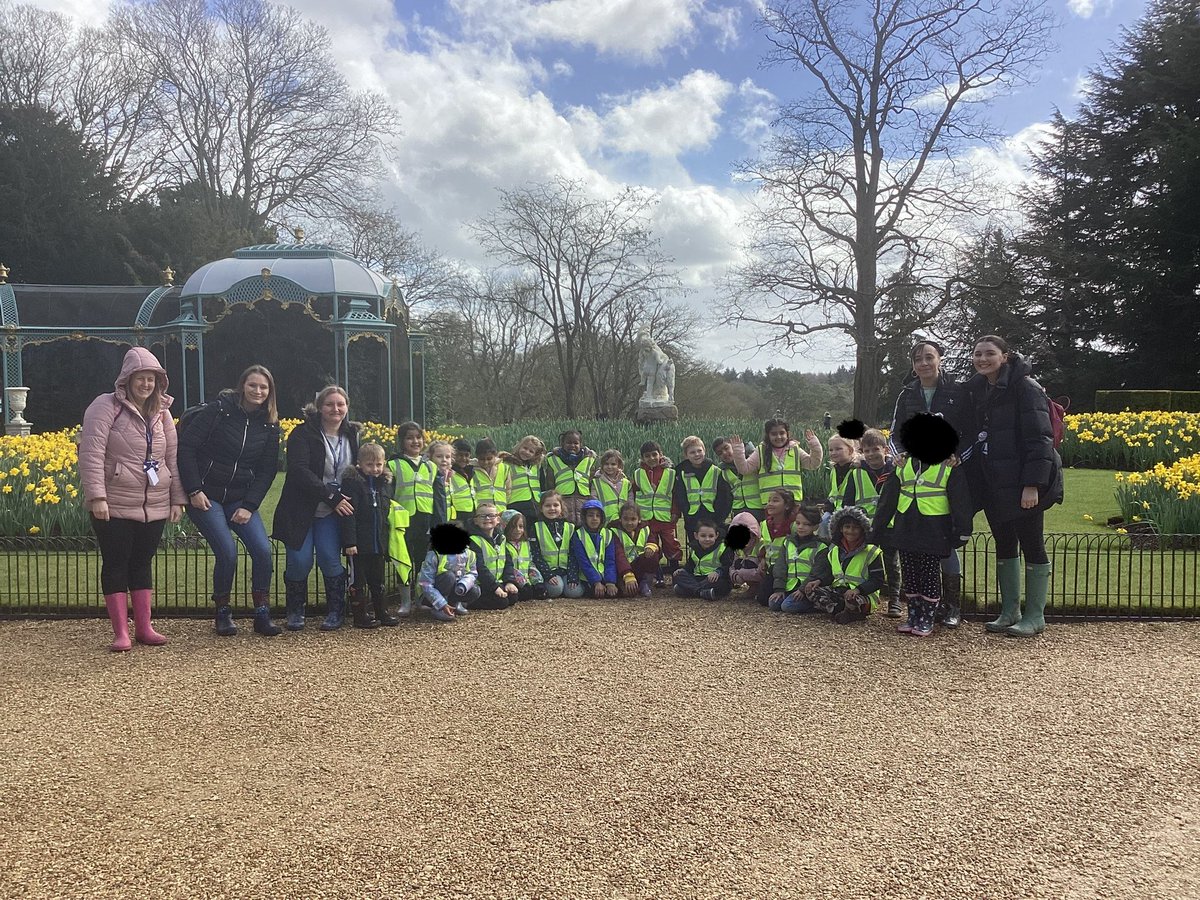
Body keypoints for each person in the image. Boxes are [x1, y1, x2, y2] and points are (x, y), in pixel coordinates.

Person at [80, 346, 184, 651]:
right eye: (141, 378)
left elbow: (172, 457)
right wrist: (97, 496)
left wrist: (176, 498)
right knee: (116, 564)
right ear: (127, 378)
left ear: (159, 382)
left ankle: (144, 627)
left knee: (142, 563)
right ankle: (120, 632)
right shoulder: (104, 406)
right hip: (114, 502)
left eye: (151, 379)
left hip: (154, 504)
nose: (146, 384)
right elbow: (91, 453)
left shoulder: (162, 412)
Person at [962, 334, 1063, 638]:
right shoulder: (979, 388)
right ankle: (1009, 611)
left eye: (989, 353)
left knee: (1032, 542)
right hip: (993, 480)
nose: (982, 359)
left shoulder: (1026, 388)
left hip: (1023, 481)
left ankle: (1035, 616)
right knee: (1004, 542)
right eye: (977, 353)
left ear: (1004, 356)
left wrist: (1032, 484)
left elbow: (1040, 439)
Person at [177, 364, 281, 638]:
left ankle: (262, 612)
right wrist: (193, 490)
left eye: (263, 387)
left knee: (262, 551)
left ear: (270, 392)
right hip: (206, 494)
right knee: (227, 552)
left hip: (240, 497)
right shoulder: (219, 411)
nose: (258, 391)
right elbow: (186, 447)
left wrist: (250, 505)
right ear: (242, 386)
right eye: (253, 385)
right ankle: (222, 611)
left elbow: (268, 469)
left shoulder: (270, 424)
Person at [871, 414, 974, 637]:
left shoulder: (948, 465)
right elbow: (888, 499)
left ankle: (927, 616)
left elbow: (961, 500)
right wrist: (877, 527)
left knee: (928, 576)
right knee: (910, 575)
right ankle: (913, 615)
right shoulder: (903, 463)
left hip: (934, 529)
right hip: (906, 526)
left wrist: (963, 530)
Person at [890, 339, 968, 627]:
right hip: (916, 470)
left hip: (948, 469)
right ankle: (925, 606)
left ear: (940, 360)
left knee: (945, 545)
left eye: (928, 357)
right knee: (917, 547)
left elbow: (970, 430)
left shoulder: (956, 392)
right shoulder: (906, 394)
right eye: (917, 359)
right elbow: (895, 432)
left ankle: (952, 606)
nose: (923, 363)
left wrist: (958, 455)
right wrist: (899, 455)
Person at [271, 385, 359, 632]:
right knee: (300, 561)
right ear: (319, 407)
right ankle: (295, 609)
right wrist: (331, 496)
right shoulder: (302, 434)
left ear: (347, 407)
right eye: (330, 404)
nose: (335, 409)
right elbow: (299, 471)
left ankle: (335, 609)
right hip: (302, 507)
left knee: (330, 559)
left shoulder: (352, 434)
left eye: (340, 404)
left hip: (334, 511)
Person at [338, 442, 404, 628]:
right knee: (358, 581)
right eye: (370, 465)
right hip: (358, 543)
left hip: (377, 542)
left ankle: (382, 611)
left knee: (378, 580)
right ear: (359, 464)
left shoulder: (384, 485)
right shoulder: (352, 484)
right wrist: (349, 542)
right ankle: (360, 615)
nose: (375, 469)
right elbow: (349, 515)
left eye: (379, 465)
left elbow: (385, 514)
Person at [844, 428, 902, 618]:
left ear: (885, 450)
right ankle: (864, 599)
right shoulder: (856, 474)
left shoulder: (896, 471)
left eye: (875, 449)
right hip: (865, 528)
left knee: (892, 564)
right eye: (866, 451)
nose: (870, 454)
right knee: (865, 564)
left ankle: (895, 601)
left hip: (891, 526)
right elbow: (848, 504)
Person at [388, 421, 436, 617]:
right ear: (402, 441)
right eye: (410, 438)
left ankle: (420, 600)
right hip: (403, 520)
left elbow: (437, 494)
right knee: (403, 561)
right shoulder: (393, 464)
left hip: (425, 519)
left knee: (423, 562)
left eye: (418, 437)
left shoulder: (431, 466)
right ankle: (405, 602)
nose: (415, 441)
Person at [808, 506, 885, 625]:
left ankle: (848, 611)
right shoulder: (834, 551)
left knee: (854, 601)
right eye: (847, 527)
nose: (850, 531)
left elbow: (878, 580)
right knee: (812, 591)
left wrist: (858, 590)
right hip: (838, 591)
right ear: (840, 529)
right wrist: (819, 581)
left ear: (863, 529)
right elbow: (831, 574)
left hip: (862, 594)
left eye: (855, 528)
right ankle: (842, 611)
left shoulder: (872, 552)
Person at [730, 418, 823, 512]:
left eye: (782, 433)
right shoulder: (761, 451)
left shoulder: (795, 449)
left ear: (787, 434)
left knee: (793, 527)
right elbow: (745, 469)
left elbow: (813, 464)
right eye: (774, 434)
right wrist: (738, 451)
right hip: (770, 504)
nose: (778, 437)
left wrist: (815, 446)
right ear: (768, 435)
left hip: (793, 503)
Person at [632, 441, 681, 581]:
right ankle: (657, 575)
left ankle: (675, 572)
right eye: (647, 456)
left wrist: (675, 512)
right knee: (651, 546)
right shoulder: (638, 474)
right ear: (642, 458)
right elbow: (633, 494)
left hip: (666, 518)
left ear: (661, 454)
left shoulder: (670, 473)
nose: (652, 458)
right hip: (647, 519)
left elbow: (675, 495)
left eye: (655, 454)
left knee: (671, 544)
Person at [769, 506, 826, 613]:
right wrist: (779, 589)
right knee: (773, 603)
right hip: (789, 587)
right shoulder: (788, 542)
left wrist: (803, 590)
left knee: (787, 606)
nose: (800, 527)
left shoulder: (821, 547)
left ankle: (816, 605)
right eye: (798, 523)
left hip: (807, 590)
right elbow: (780, 566)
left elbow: (817, 572)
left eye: (806, 524)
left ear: (815, 527)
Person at [673, 436, 731, 538]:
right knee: (696, 549)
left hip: (714, 518)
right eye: (692, 452)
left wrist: (719, 518)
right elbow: (680, 497)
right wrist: (687, 513)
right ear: (686, 455)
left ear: (704, 451)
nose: (696, 454)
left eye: (699, 451)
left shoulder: (716, 471)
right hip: (692, 520)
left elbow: (725, 497)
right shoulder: (681, 474)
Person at [531, 491, 585, 599]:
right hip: (548, 571)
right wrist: (548, 575)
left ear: (561, 507)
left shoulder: (570, 527)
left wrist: (572, 576)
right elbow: (536, 555)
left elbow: (573, 554)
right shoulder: (536, 527)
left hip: (566, 570)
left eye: (556, 505)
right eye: (547, 505)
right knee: (556, 589)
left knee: (575, 592)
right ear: (541, 508)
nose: (552, 508)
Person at [466, 501, 519, 610]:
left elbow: (508, 563)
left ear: (498, 520)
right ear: (475, 520)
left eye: (491, 515)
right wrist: (495, 587)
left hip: (497, 582)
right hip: (479, 584)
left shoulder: (502, 539)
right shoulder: (473, 540)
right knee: (501, 602)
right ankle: (468, 602)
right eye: (482, 516)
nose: (487, 518)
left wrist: (509, 581)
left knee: (514, 597)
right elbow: (479, 568)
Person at [418, 524, 476, 622]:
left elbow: (472, 573)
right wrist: (441, 603)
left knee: (475, 590)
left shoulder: (469, 554)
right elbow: (426, 583)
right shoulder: (434, 554)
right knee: (449, 577)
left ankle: (453, 604)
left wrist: (463, 585)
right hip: (430, 594)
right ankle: (439, 607)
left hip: (456, 588)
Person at [755, 488, 799, 606]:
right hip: (770, 570)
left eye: (775, 501)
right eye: (769, 501)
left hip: (788, 571)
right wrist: (762, 559)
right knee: (762, 599)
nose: (770, 504)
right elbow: (763, 545)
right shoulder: (765, 524)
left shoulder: (794, 525)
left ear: (787, 506)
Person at [541, 429, 596, 524]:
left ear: (581, 444)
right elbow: (550, 485)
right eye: (568, 443)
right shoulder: (553, 460)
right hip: (563, 503)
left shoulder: (589, 460)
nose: (572, 446)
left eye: (576, 443)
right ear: (562, 444)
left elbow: (592, 483)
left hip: (583, 503)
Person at [672, 520, 733, 601]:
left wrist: (717, 572)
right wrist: (683, 570)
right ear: (696, 535)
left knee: (722, 584)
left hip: (713, 579)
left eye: (711, 536)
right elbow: (690, 566)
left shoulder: (722, 548)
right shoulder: (693, 548)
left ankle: (688, 590)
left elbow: (728, 566)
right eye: (703, 536)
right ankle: (701, 592)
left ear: (716, 535)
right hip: (697, 578)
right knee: (678, 575)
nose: (707, 539)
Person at [611, 500, 661, 597]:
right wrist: (627, 574)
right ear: (620, 519)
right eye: (626, 519)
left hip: (639, 565)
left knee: (653, 554)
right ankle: (628, 584)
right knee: (627, 594)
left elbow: (652, 539)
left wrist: (651, 546)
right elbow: (619, 555)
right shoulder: (614, 531)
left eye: (633, 519)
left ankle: (645, 583)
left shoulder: (645, 528)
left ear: (639, 519)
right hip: (621, 569)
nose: (629, 523)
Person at [572, 498, 620, 597]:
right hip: (586, 578)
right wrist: (596, 582)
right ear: (584, 517)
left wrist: (610, 582)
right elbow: (583, 562)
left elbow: (610, 560)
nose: (594, 518)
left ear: (602, 518)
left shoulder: (608, 534)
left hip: (605, 576)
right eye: (590, 515)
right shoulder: (578, 534)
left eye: (598, 516)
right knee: (595, 594)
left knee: (616, 593)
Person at [501, 509, 547, 602]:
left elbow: (530, 564)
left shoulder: (526, 544)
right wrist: (522, 583)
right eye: (513, 527)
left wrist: (537, 581)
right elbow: (508, 567)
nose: (518, 530)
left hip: (527, 581)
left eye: (521, 526)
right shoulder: (503, 544)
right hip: (511, 581)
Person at [714, 437, 761, 522]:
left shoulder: (754, 460)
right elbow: (727, 497)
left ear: (733, 445)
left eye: (726, 448)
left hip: (758, 508)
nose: (724, 453)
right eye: (720, 453)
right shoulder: (723, 471)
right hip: (738, 510)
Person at [501, 435, 545, 526]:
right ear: (519, 446)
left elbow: (543, 485)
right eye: (525, 448)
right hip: (516, 505)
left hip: (536, 507)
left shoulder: (536, 466)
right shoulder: (507, 464)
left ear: (535, 454)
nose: (526, 452)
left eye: (531, 451)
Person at [592, 449, 632, 525]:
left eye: (613, 464)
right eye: (606, 464)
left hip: (623, 522)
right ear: (602, 465)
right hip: (605, 522)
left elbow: (630, 502)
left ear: (619, 465)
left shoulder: (626, 482)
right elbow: (594, 501)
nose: (609, 467)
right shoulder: (596, 482)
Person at [472, 438, 510, 516]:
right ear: (477, 456)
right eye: (482, 459)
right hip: (481, 513)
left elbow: (508, 490)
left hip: (500, 511)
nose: (486, 462)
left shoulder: (504, 468)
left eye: (489, 459)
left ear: (495, 455)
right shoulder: (471, 469)